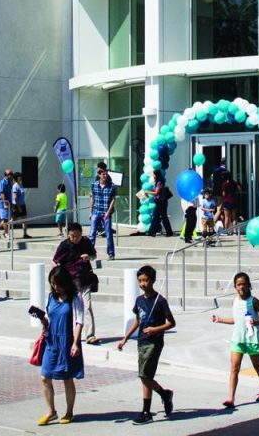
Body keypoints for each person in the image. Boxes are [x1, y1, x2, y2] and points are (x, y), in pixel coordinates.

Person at [117, 265, 176, 423]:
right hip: (141, 342)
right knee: (145, 376)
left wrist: (156, 329)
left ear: (153, 280)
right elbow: (138, 320)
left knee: (145, 376)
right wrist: (125, 338)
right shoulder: (139, 300)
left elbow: (171, 323)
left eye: (145, 280)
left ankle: (146, 412)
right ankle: (164, 394)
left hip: (154, 343)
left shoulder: (160, 301)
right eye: (140, 281)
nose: (142, 284)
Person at [32, 266, 84, 426]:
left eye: (57, 283)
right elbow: (48, 317)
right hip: (51, 341)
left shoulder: (75, 298)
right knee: (45, 377)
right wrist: (42, 319)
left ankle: (69, 412)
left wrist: (75, 343)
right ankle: (51, 411)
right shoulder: (50, 297)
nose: (55, 287)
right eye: (52, 283)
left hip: (67, 342)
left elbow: (79, 321)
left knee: (67, 379)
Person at [211, 272, 259, 408]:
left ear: (249, 285)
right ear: (235, 286)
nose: (241, 287)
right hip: (238, 339)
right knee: (234, 368)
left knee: (256, 365)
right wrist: (219, 320)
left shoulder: (254, 301)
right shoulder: (235, 301)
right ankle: (231, 398)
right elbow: (236, 320)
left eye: (244, 284)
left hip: (251, 339)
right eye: (238, 284)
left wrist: (256, 323)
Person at [53, 222, 99, 345]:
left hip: (85, 279)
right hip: (71, 282)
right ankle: (71, 333)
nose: (75, 239)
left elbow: (94, 255)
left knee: (87, 306)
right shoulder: (64, 245)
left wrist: (88, 257)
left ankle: (90, 335)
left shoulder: (85, 242)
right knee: (72, 309)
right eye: (72, 236)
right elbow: (55, 262)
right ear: (68, 234)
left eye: (77, 236)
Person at [88, 162, 117, 260]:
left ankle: (111, 253)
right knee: (92, 234)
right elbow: (92, 198)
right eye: (103, 174)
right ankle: (91, 253)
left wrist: (108, 212)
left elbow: (113, 199)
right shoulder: (94, 185)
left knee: (108, 234)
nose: (105, 175)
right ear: (99, 174)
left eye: (106, 173)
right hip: (96, 211)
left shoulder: (112, 186)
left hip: (106, 212)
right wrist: (90, 211)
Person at [147, 170, 173, 237]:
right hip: (159, 202)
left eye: (154, 175)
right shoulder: (157, 182)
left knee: (159, 217)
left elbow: (156, 193)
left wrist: (147, 192)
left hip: (161, 202)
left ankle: (152, 232)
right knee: (160, 217)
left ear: (156, 175)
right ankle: (167, 232)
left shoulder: (159, 182)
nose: (153, 176)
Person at [0, 169, 14, 239]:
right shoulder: (3, 182)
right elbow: (2, 193)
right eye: (11, 174)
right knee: (5, 219)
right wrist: (5, 203)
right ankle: (6, 234)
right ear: (7, 175)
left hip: (8, 202)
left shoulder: (9, 182)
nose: (12, 176)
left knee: (7, 219)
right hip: (3, 203)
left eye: (12, 174)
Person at [12, 174, 30, 239]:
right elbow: (15, 197)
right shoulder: (15, 186)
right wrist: (18, 206)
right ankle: (7, 233)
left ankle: (25, 234)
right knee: (12, 220)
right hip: (17, 205)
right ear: (17, 178)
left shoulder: (21, 185)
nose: (21, 178)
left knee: (25, 219)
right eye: (20, 177)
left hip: (22, 204)